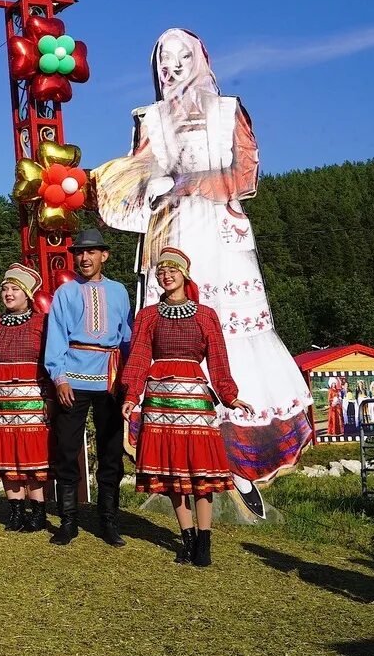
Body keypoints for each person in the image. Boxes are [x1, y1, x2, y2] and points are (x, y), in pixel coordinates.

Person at [92, 27, 313, 516]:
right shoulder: (149, 118)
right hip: (169, 231)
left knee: (226, 328)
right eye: (162, 60)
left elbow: (244, 174)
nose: (171, 68)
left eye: (180, 57)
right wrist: (143, 185)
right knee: (166, 325)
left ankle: (240, 458)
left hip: (217, 230)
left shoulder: (227, 109)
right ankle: (171, 457)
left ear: (199, 58)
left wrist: (187, 181)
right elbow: (136, 174)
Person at [120, 248, 252, 567]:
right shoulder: (148, 316)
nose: (166, 275)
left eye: (172, 270)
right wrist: (130, 396)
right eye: (161, 271)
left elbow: (218, 360)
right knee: (170, 472)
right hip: (159, 401)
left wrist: (230, 395)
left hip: (195, 401)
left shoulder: (205, 315)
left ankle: (204, 542)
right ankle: (188, 537)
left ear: (184, 274)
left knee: (198, 472)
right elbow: (138, 358)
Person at [43, 227, 134, 547]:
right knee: (67, 448)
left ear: (104, 256)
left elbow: (127, 338)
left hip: (110, 378)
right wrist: (60, 377)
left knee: (111, 450)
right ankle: (68, 522)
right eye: (80, 252)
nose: (84, 257)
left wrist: (129, 380)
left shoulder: (120, 292)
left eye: (91, 252)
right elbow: (55, 335)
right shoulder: (66, 293)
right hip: (74, 377)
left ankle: (108, 521)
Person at [0, 263, 51, 533]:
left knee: (32, 456)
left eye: (15, 289)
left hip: (32, 400)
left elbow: (51, 362)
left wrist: (50, 398)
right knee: (6, 456)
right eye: (5, 288)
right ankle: (15, 512)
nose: (8, 293)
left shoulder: (43, 322)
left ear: (27, 294)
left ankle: (38, 512)